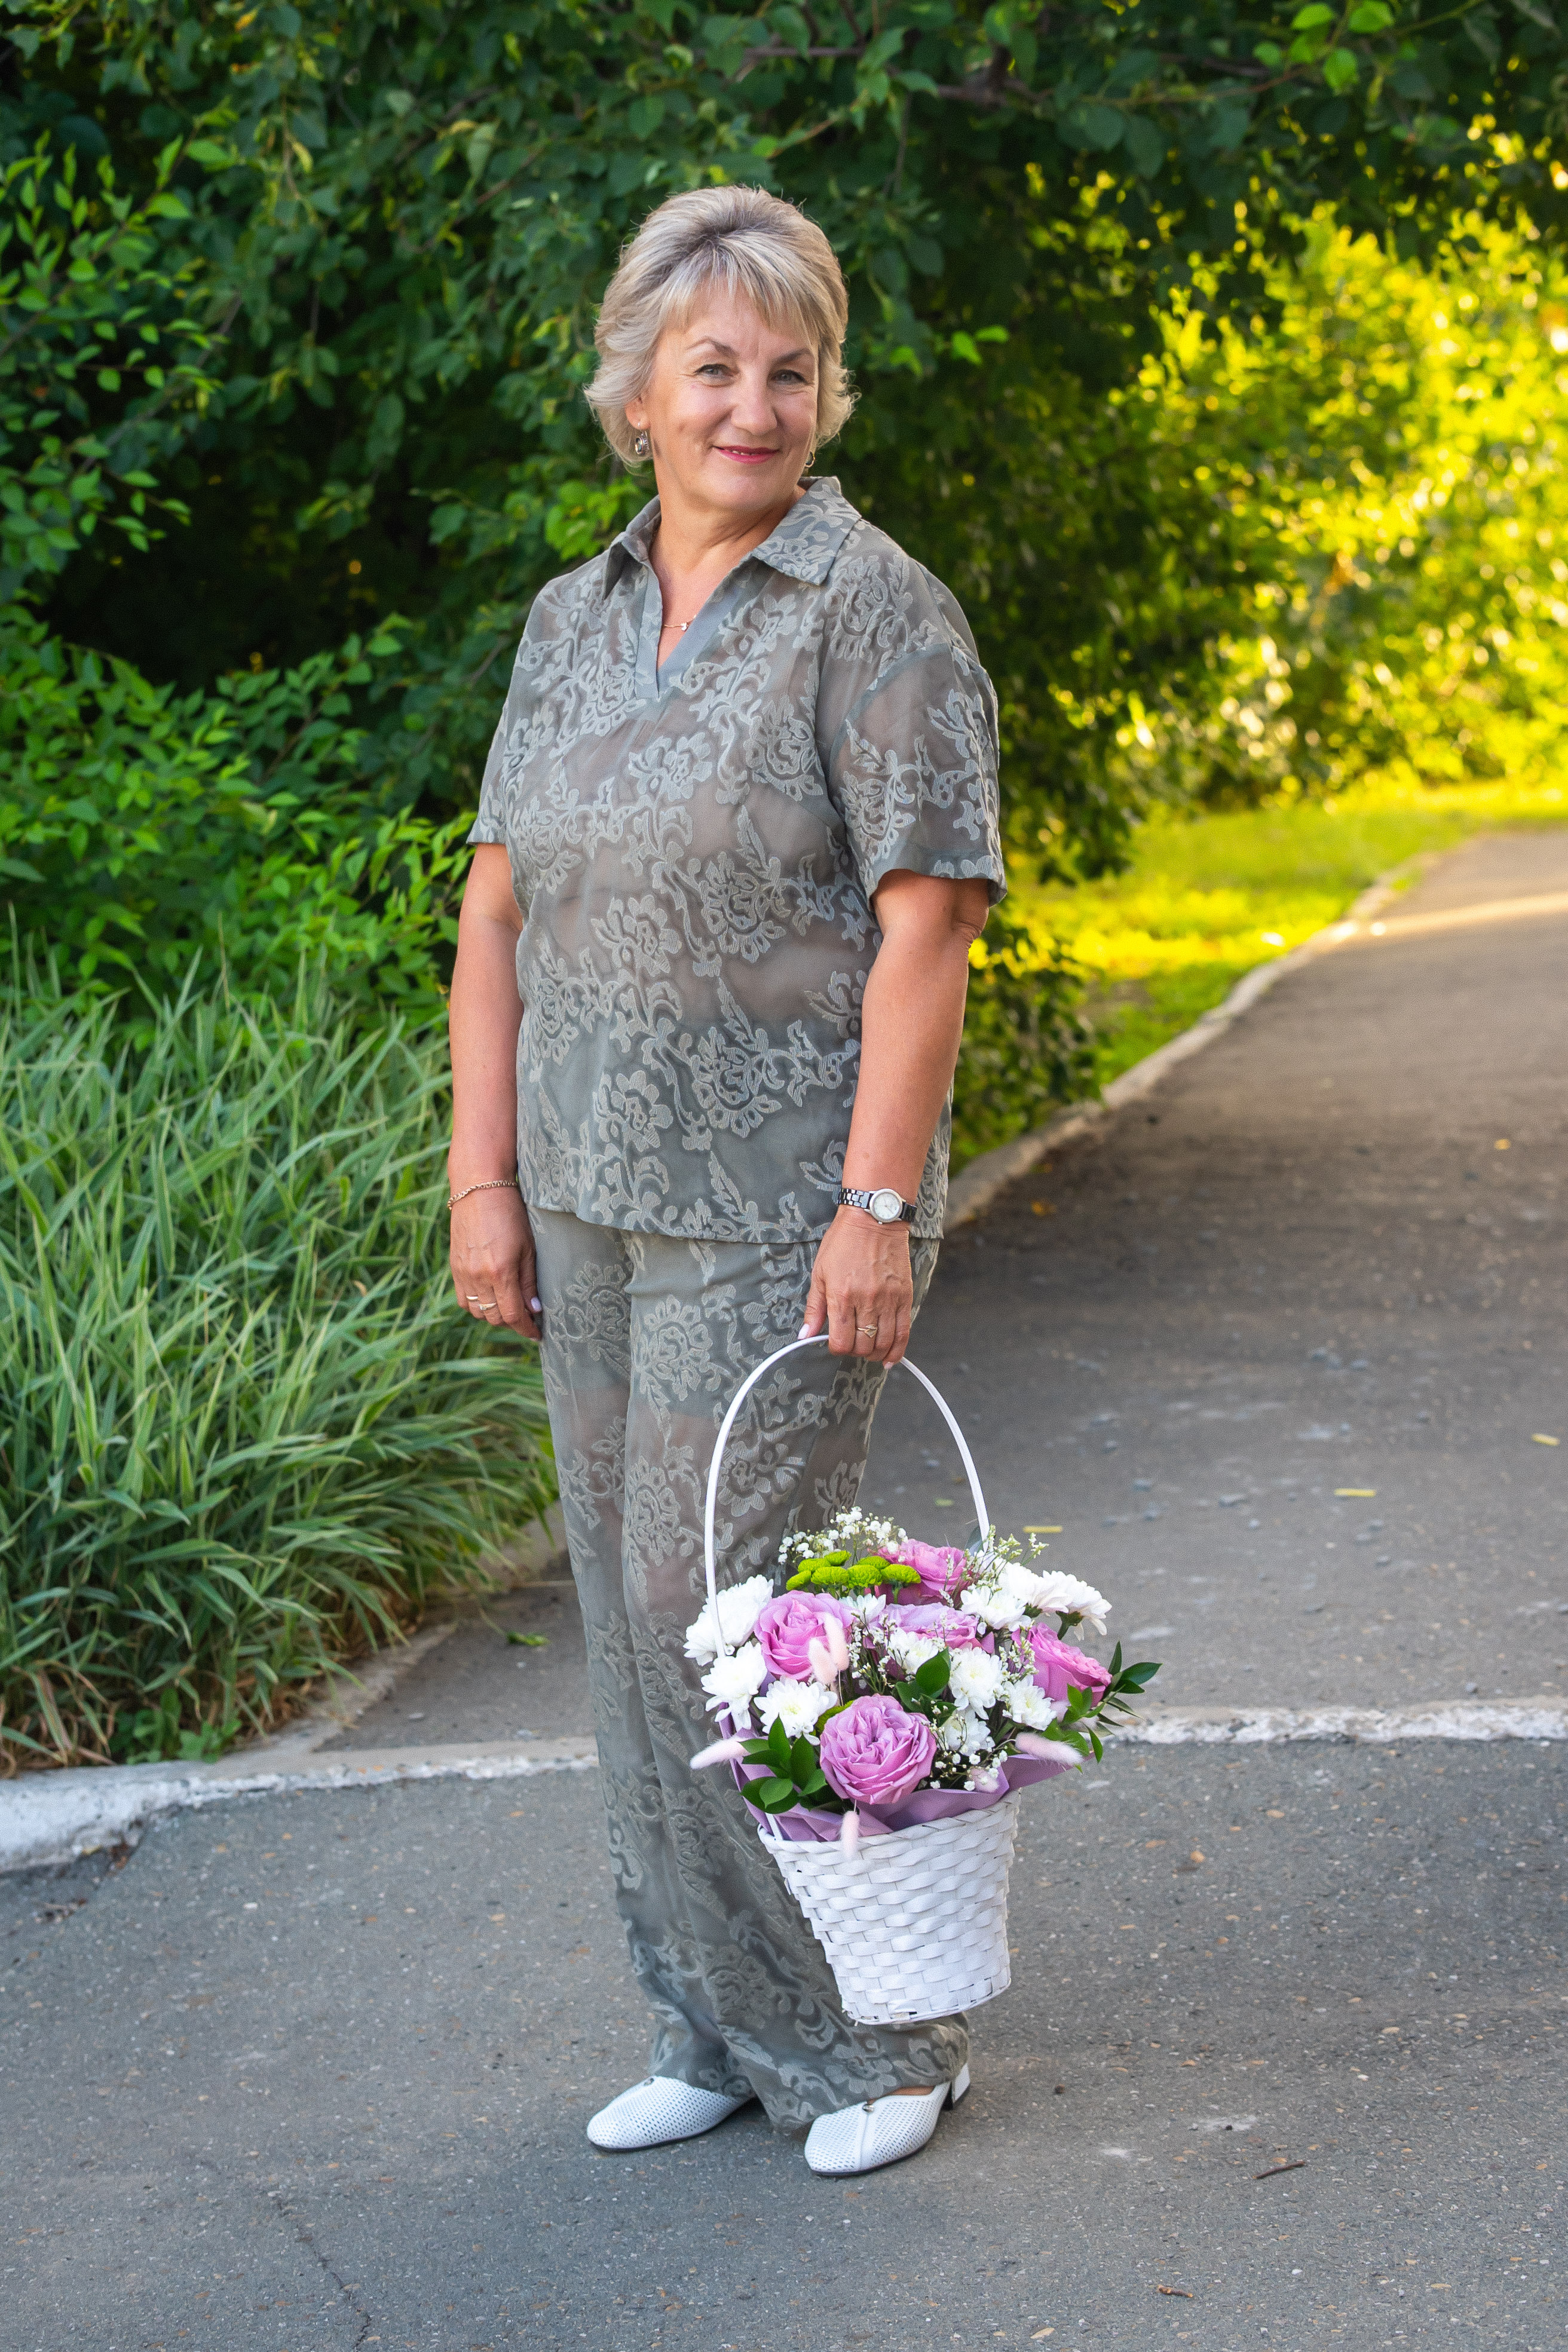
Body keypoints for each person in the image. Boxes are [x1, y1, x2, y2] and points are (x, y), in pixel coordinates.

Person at [446, 185, 1003, 2177]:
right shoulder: (569, 619)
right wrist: (480, 1180)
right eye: (713, 369)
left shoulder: (878, 609)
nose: (751, 405)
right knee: (620, 1607)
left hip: (781, 1203)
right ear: (638, 396)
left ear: (827, 391)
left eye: (788, 369)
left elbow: (926, 931)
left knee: (731, 1607)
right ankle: (713, 2016)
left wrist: (875, 1207)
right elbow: (497, 910)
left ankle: (883, 2040)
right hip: (585, 1191)